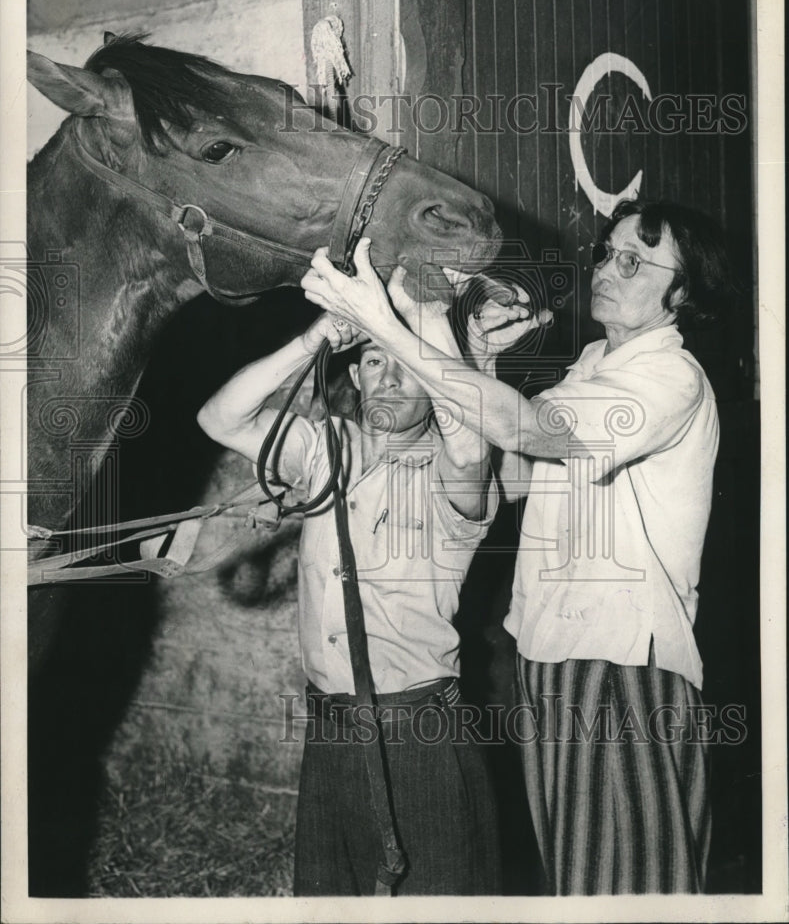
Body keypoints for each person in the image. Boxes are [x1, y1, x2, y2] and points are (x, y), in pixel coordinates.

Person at [300, 199, 731, 895]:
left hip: (621, 664)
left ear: (680, 294)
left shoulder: (668, 377)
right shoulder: (596, 362)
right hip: (553, 657)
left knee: (628, 891)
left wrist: (386, 321)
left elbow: (529, 432)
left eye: (634, 261)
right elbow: (507, 470)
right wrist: (469, 354)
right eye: (606, 251)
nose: (607, 269)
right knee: (577, 877)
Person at [197, 250, 538, 895]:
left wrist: (434, 341)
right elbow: (221, 418)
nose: (388, 379)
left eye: (406, 369)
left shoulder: (455, 470)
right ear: (355, 374)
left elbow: (468, 439)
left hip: (419, 730)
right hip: (331, 728)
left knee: (445, 904)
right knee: (328, 901)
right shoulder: (326, 448)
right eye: (376, 361)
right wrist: (315, 337)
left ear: (433, 387)